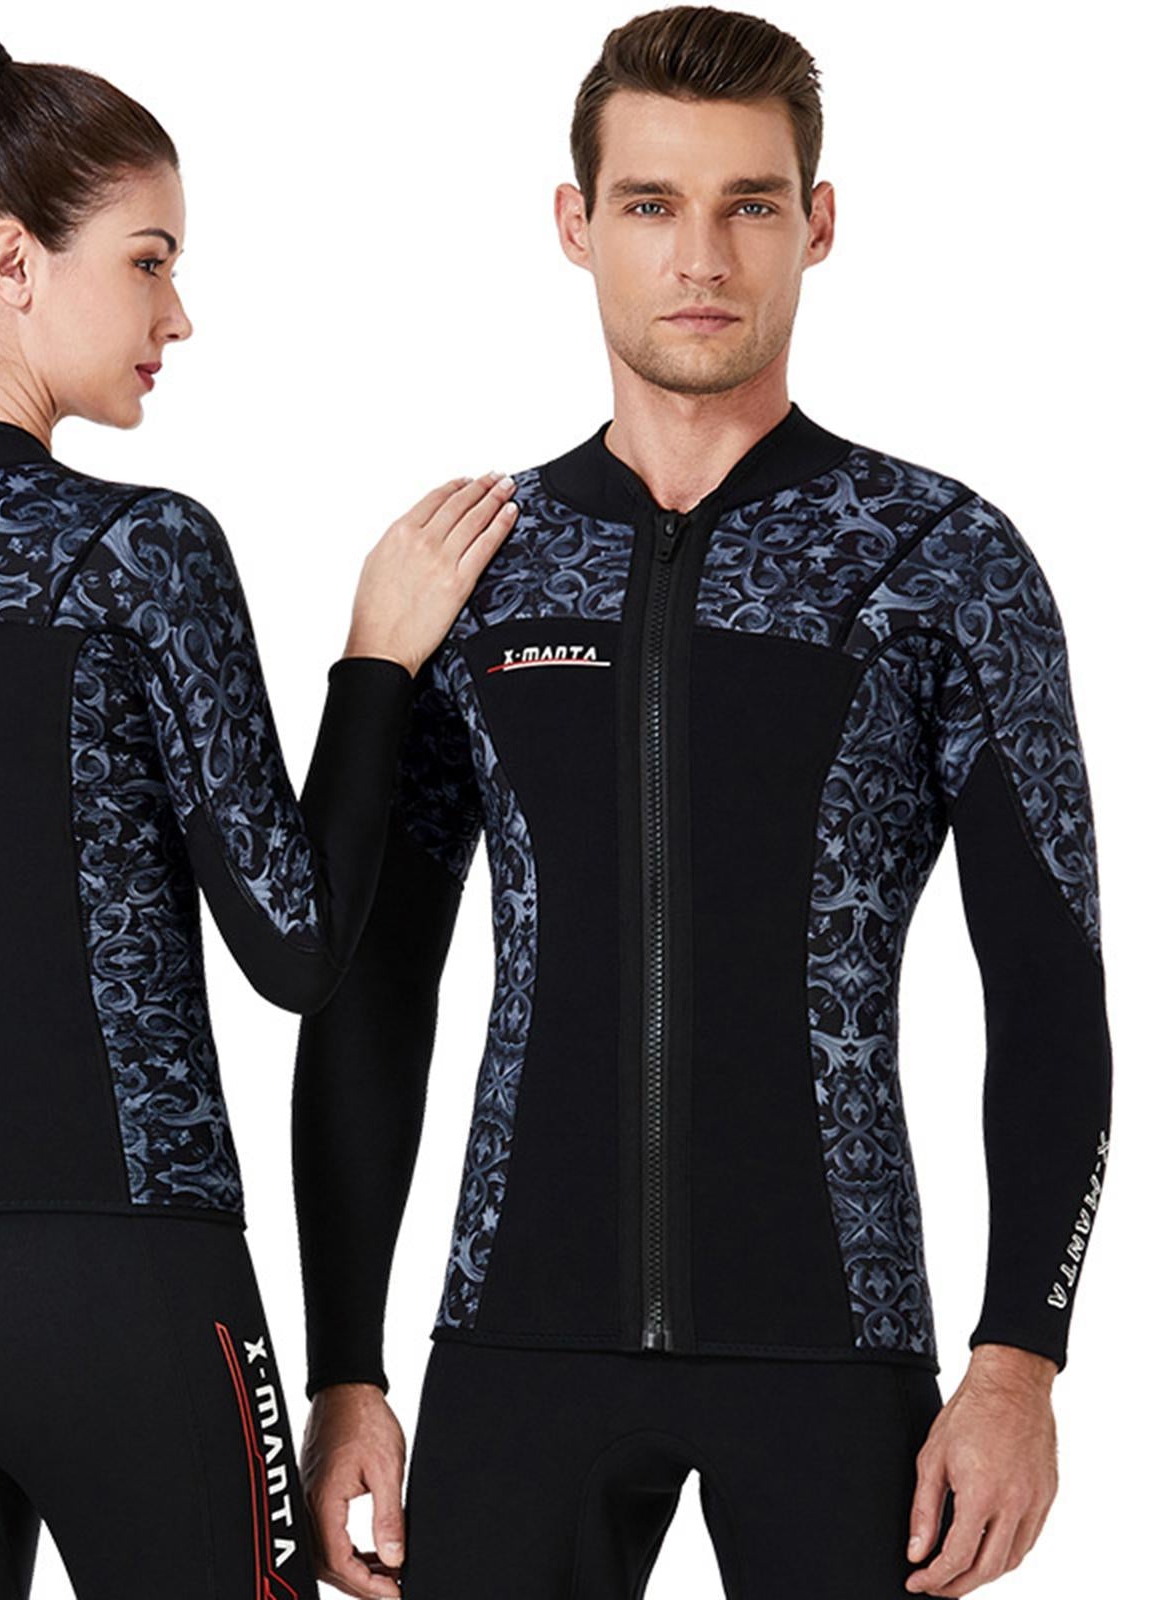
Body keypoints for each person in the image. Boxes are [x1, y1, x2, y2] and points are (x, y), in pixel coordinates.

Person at [0, 22, 517, 1598]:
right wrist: (376, 666)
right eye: (149, 262)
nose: (176, 315)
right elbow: (299, 946)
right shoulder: (141, 551)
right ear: (11, 262)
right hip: (127, 1280)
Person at [291, 8, 1113, 1599]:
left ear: (818, 221)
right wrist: (346, 1368)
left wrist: (1020, 1359)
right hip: (519, 1339)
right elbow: (373, 991)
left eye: (750, 203)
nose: (701, 256)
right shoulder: (478, 568)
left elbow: (1048, 981)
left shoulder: (940, 560)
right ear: (575, 223)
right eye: (652, 204)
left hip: (835, 1343)